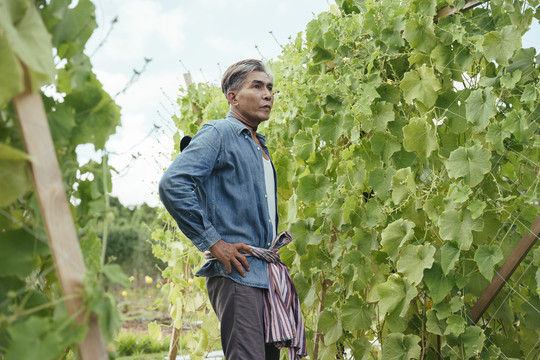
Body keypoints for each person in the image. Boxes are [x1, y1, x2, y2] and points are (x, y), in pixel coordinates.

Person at [159, 59, 304, 359]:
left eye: (270, 88)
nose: (267, 94)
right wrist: (214, 242)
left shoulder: (258, 144)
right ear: (233, 97)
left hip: (264, 276)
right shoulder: (219, 133)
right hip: (238, 275)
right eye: (257, 86)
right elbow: (173, 184)